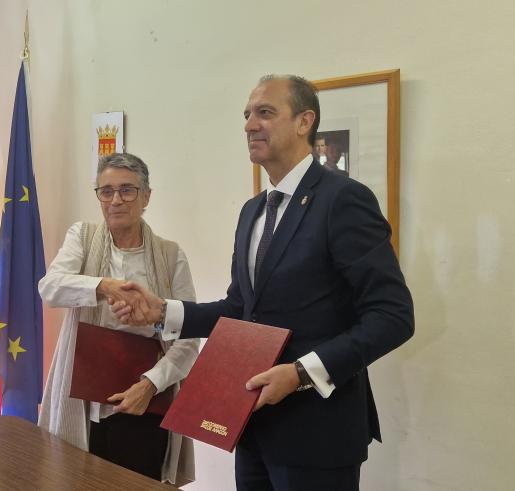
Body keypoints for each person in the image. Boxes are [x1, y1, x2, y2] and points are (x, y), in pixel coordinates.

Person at [111, 75, 414, 489]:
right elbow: (240, 310)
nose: (250, 124)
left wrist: (302, 373)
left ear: (305, 121)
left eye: (265, 113)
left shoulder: (343, 200)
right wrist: (164, 311)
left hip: (318, 435)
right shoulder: (254, 211)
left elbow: (393, 316)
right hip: (250, 426)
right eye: (247, 114)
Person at [37, 152, 199, 485]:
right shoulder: (82, 237)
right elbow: (50, 287)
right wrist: (104, 287)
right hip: (85, 402)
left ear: (146, 197)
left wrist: (150, 384)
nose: (115, 200)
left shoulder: (169, 255)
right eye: (106, 191)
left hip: (145, 403)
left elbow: (189, 336)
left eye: (127, 190)